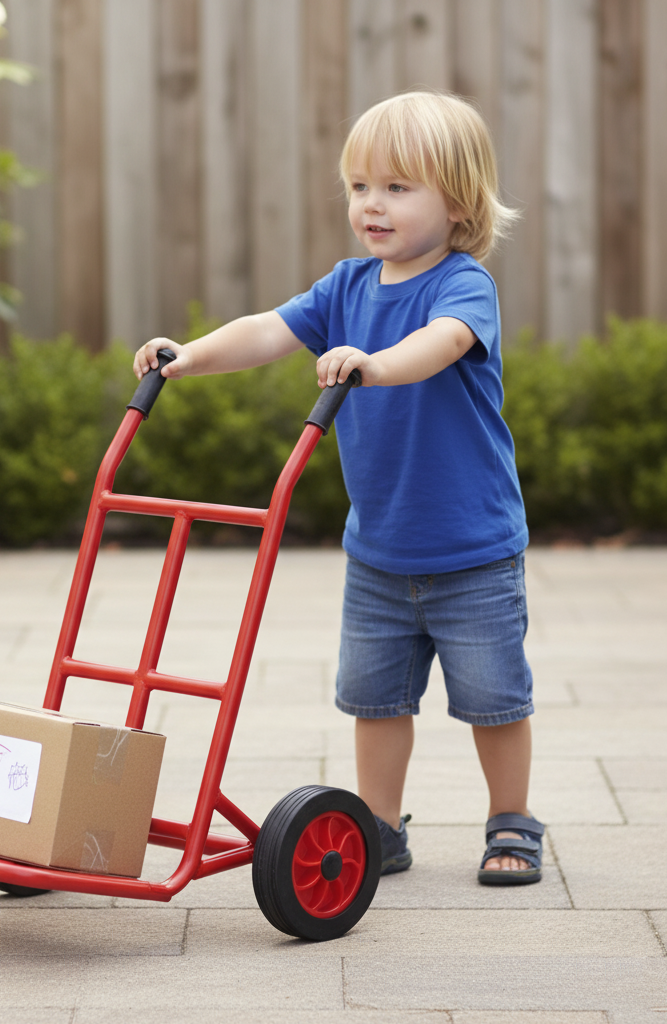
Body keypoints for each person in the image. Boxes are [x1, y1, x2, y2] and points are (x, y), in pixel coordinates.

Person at [134, 90, 544, 886]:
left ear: (457, 202)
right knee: (374, 699)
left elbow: (439, 346)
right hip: (380, 553)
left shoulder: (463, 287)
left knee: (494, 699)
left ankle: (512, 821)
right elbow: (267, 328)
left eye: (397, 187)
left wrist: (374, 364)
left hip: (473, 553)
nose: (372, 205)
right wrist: (188, 355)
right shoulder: (346, 286)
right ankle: (379, 827)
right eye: (360, 186)